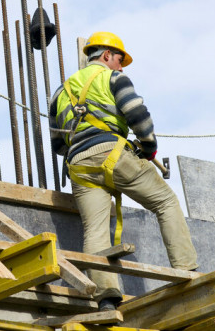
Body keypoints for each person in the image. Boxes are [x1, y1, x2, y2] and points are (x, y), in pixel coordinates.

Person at [49, 31, 198, 311]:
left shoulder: (60, 92)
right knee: (165, 202)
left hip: (79, 165)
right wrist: (149, 147)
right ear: (106, 56)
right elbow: (137, 115)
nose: (121, 66)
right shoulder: (113, 78)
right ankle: (187, 271)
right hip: (114, 155)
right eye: (119, 59)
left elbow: (58, 144)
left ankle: (106, 298)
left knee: (95, 230)